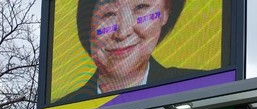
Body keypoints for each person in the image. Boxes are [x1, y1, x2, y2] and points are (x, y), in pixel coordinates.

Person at [61, 0, 204, 102]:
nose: (123, 32)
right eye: (109, 14)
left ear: (165, 12)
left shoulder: (201, 87)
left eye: (140, 7)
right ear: (89, 26)